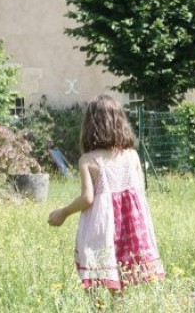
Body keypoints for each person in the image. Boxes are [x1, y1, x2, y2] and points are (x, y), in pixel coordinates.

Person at [47, 94, 164, 295]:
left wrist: (63, 212)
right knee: (122, 277)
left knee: (96, 275)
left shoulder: (88, 160)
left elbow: (87, 198)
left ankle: (96, 308)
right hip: (131, 227)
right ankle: (119, 307)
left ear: (90, 125)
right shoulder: (132, 155)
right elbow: (140, 192)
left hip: (102, 228)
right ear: (120, 122)